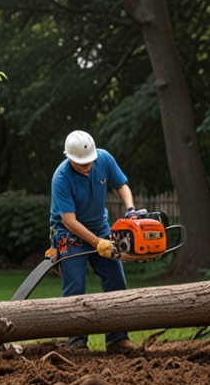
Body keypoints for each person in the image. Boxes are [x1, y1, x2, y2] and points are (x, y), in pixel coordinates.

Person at [49, 130, 141, 353]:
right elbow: (69, 220)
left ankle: (118, 339)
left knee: (116, 282)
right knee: (75, 288)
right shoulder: (61, 178)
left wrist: (131, 210)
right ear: (69, 158)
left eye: (89, 161)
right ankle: (77, 343)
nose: (87, 166)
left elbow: (122, 185)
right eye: (81, 163)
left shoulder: (104, 159)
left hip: (101, 229)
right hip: (70, 236)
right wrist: (98, 243)